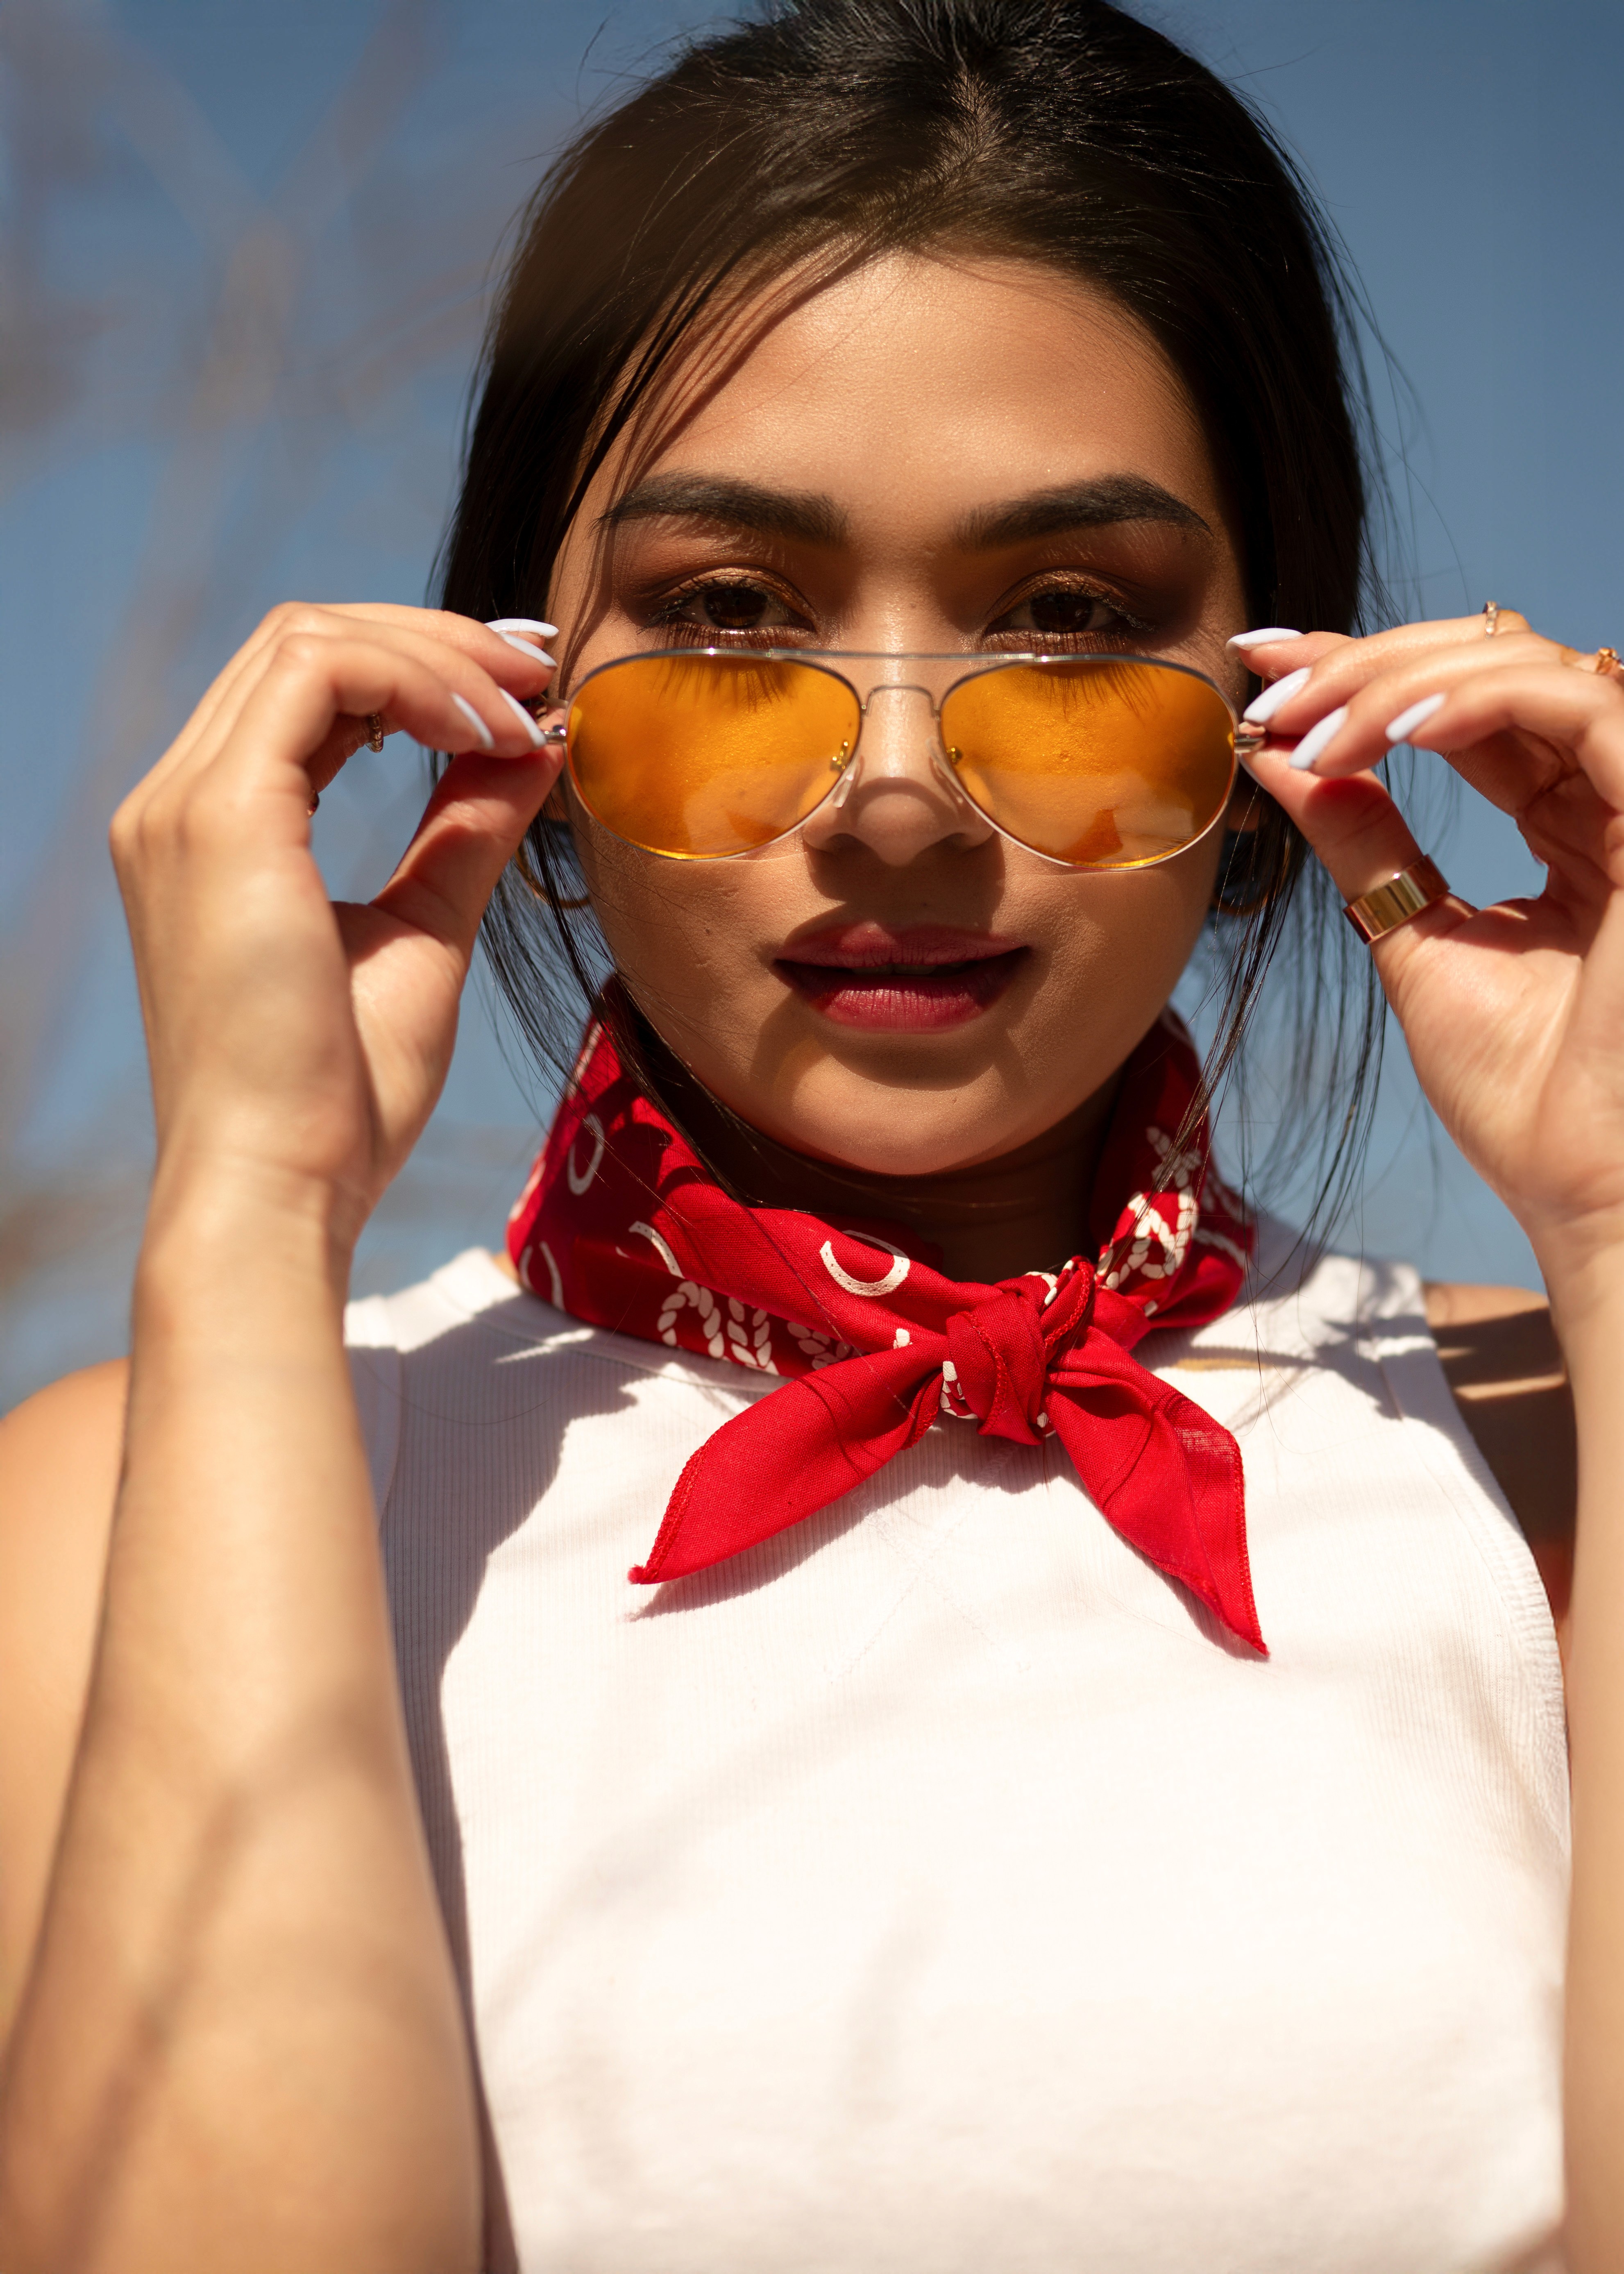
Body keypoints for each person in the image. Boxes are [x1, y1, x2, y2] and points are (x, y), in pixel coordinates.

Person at [0, 0, 1619, 2266]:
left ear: (1281, 708)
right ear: (516, 705)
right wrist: (243, 1213)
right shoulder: (134, 1504)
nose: (891, 796)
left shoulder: (1556, 1450)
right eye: (730, 616)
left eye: (1067, 628)